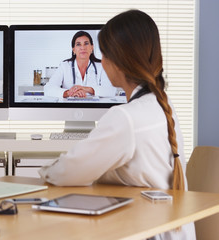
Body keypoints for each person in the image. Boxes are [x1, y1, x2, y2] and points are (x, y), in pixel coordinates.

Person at [39, 10, 195, 239]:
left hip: (147, 231)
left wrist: (44, 171)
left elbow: (65, 173)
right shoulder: (163, 103)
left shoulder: (126, 118)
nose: (101, 61)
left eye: (104, 54)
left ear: (118, 63)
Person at [44, 31, 116, 98]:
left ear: (92, 47)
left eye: (86, 43)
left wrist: (87, 89)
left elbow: (111, 90)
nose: (82, 48)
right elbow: (48, 89)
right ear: (74, 50)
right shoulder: (65, 66)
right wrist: (69, 93)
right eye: (78, 44)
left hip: (95, 109)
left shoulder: (101, 66)